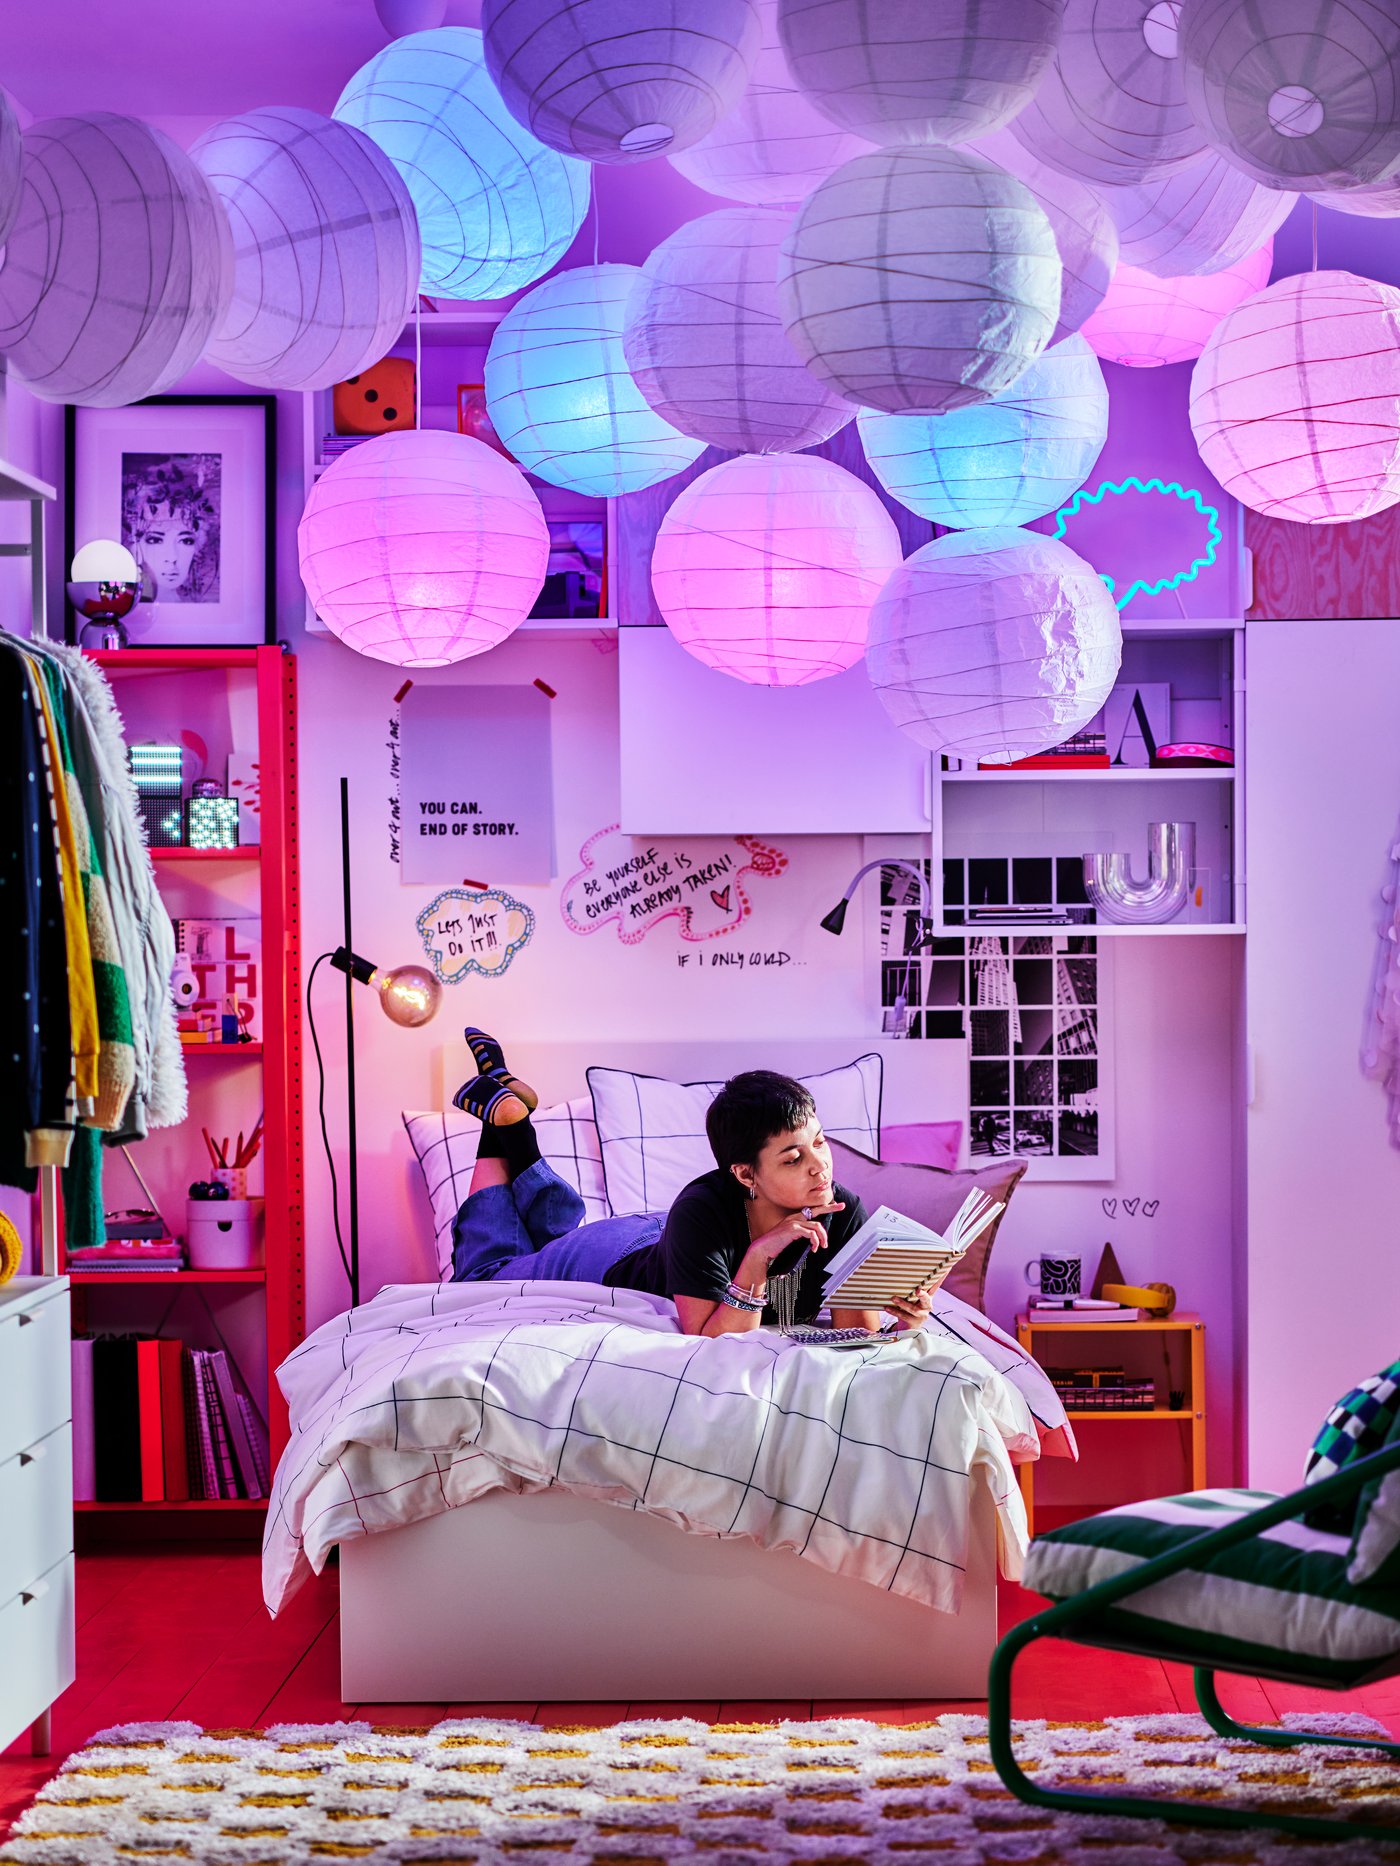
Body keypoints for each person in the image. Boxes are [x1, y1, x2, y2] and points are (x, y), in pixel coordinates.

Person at [449, 1030, 936, 1339]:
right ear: (745, 1173)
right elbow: (710, 1339)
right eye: (793, 1157)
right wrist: (758, 1259)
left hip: (670, 1239)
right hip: (616, 1255)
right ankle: (505, 1128)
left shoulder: (840, 1207)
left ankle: (508, 1116)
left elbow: (856, 1336)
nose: (820, 1168)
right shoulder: (703, 1210)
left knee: (551, 1239)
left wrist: (907, 1318)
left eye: (821, 1143)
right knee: (484, 1279)